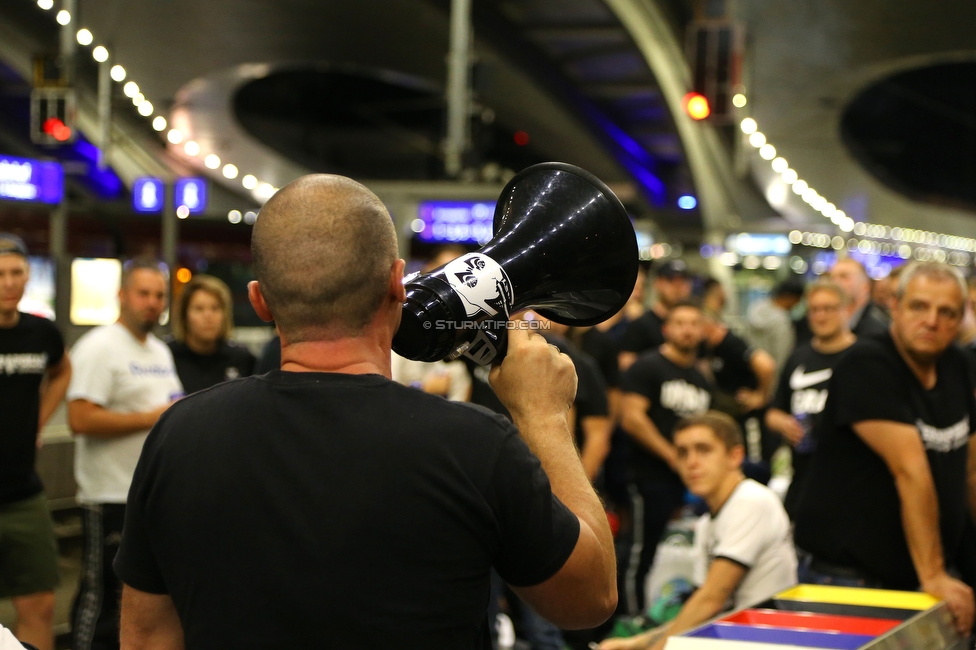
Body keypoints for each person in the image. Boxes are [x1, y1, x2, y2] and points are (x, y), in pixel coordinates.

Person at [113, 174, 617, 649]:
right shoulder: (475, 445)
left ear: (260, 301)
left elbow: (146, 637)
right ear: (398, 284)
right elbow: (591, 599)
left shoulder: (179, 436)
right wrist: (543, 417)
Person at [793, 262, 976, 636]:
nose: (932, 321)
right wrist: (935, 574)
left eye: (947, 313)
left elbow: (972, 471)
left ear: (961, 319)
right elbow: (910, 470)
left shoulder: (959, 365)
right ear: (895, 306)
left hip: (916, 574)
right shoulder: (867, 364)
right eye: (919, 307)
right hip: (849, 581)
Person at [600, 412, 796, 650]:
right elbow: (701, 611)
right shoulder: (706, 522)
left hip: (766, 640)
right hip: (735, 638)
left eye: (703, 450)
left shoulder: (751, 501)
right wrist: (636, 643)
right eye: (683, 452)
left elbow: (711, 601)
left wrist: (657, 648)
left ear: (736, 456)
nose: (691, 462)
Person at [66, 258, 182, 650]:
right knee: (100, 598)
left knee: (141, 602)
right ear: (121, 296)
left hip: (150, 495)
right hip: (109, 496)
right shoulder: (99, 347)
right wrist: (152, 417)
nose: (152, 303)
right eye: (143, 293)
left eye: (159, 295)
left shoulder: (159, 351)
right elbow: (79, 418)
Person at [0, 234, 71, 650]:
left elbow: (62, 371)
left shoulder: (41, 333)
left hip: (24, 492)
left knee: (40, 604)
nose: (9, 282)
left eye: (16, 273)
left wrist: (38, 420)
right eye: (0, 274)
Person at [619, 300, 712, 615]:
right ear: (666, 329)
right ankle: (630, 621)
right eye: (680, 323)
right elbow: (632, 418)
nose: (687, 330)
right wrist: (672, 455)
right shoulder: (647, 366)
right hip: (647, 477)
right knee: (639, 555)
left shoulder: (701, 379)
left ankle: (661, 617)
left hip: (687, 483)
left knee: (676, 556)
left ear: (702, 331)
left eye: (694, 324)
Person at [765, 279, 856, 517]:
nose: (821, 316)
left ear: (847, 310)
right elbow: (773, 412)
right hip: (803, 480)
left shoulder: (861, 358)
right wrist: (784, 424)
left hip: (849, 485)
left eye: (829, 308)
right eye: (814, 309)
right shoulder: (799, 357)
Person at [168, 274, 255, 394]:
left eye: (215, 308)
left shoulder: (242, 359)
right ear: (184, 316)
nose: (208, 316)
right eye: (199, 309)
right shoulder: (167, 356)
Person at [618, 260, 693, 371]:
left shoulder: (694, 327)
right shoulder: (640, 324)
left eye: (683, 281)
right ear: (658, 283)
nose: (678, 287)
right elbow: (626, 366)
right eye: (671, 280)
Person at [744, 279, 804, 375]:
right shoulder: (782, 322)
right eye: (797, 300)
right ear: (791, 297)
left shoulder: (754, 309)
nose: (796, 305)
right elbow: (783, 359)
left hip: (749, 372)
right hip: (771, 378)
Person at [830, 257, 888, 339]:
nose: (835, 283)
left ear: (865, 286)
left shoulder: (877, 330)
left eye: (844, 277)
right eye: (832, 278)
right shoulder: (827, 322)